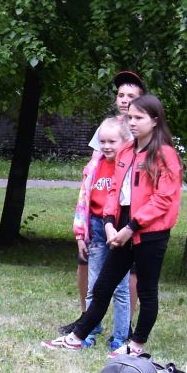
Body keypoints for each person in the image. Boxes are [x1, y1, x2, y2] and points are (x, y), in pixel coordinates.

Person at [43, 93, 180, 358]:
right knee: (103, 285)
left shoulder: (166, 155)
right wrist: (108, 224)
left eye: (139, 118)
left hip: (149, 232)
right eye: (130, 117)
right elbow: (115, 189)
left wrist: (131, 228)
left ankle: (135, 345)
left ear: (154, 121)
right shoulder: (126, 151)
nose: (133, 122)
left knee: (147, 290)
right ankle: (77, 337)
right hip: (121, 225)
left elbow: (163, 199)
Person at [71, 69, 144, 349]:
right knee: (92, 276)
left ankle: (123, 333)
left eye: (131, 96)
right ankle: (87, 325)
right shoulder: (105, 133)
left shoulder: (139, 133)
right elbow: (92, 176)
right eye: (121, 95)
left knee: (124, 284)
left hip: (125, 222)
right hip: (97, 221)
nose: (124, 100)